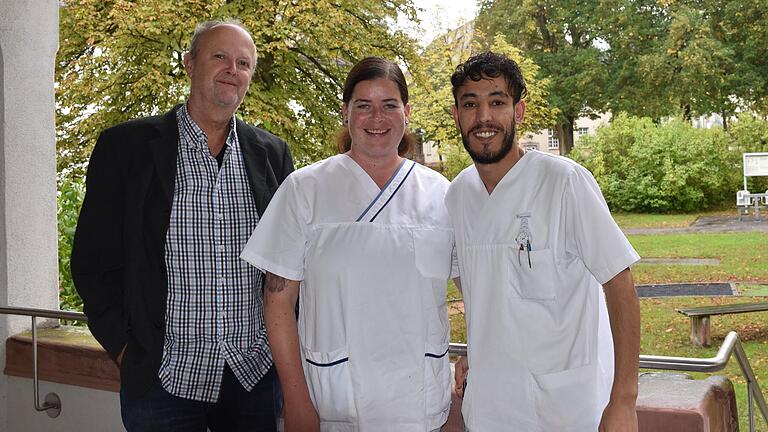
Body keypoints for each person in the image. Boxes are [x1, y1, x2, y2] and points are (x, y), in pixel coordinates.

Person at [70, 20, 294, 432]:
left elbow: (290, 263)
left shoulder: (271, 154)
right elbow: (93, 262)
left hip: (253, 375)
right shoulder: (127, 149)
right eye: (220, 57)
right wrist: (125, 348)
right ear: (189, 63)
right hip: (164, 380)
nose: (233, 69)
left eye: (243, 63)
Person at [240, 57, 458, 432]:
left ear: (406, 112)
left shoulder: (442, 195)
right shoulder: (305, 189)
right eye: (363, 106)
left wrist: (457, 403)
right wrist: (296, 400)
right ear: (346, 112)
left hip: (419, 401)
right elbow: (277, 302)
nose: (377, 118)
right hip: (334, 401)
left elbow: (476, 290)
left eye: (389, 105)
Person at [447, 52, 640, 432]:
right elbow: (471, 278)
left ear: (518, 112)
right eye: (471, 104)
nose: (484, 117)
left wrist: (623, 401)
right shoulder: (457, 195)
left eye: (497, 102)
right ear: (457, 115)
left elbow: (620, 286)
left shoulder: (565, 182)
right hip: (490, 408)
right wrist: (480, 341)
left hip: (565, 409)